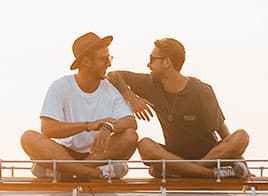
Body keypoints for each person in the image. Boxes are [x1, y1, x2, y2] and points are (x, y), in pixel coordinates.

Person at [107, 38, 249, 179]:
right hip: (174, 156)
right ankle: (207, 174)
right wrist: (132, 99)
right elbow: (113, 75)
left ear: (167, 62)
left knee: (241, 136)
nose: (148, 64)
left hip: (208, 155)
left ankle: (187, 171)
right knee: (144, 145)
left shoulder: (201, 90)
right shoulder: (150, 84)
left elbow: (221, 129)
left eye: (152, 59)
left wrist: (239, 157)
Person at [21, 32, 138, 181]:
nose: (109, 63)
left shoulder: (110, 89)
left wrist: (108, 127)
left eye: (109, 58)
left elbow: (130, 122)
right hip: (64, 153)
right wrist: (88, 126)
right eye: (104, 59)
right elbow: (48, 129)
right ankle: (88, 172)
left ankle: (72, 170)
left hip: (98, 155)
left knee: (130, 136)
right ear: (86, 61)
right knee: (28, 137)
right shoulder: (60, 86)